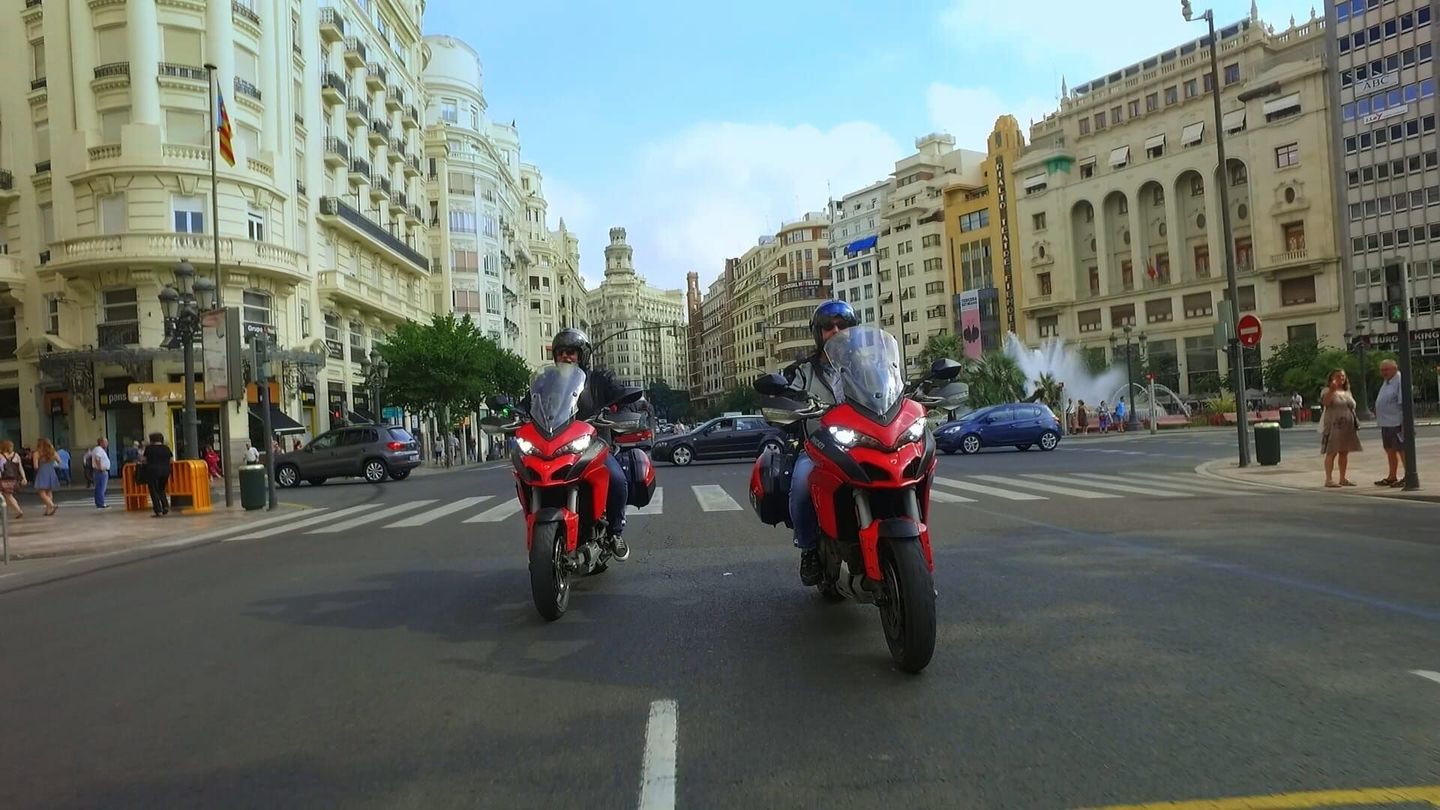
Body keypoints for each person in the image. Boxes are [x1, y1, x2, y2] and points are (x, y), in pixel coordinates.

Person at [779, 299, 859, 586]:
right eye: (828, 327)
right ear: (818, 332)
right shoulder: (803, 371)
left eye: (842, 325)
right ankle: (809, 548)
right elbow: (787, 399)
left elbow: (890, 391)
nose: (835, 331)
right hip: (819, 448)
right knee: (800, 484)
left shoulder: (868, 365)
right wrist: (787, 403)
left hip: (864, 446)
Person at [549, 327, 631, 561]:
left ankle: (615, 531)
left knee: (616, 479)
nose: (565, 356)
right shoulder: (548, 383)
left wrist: (621, 405)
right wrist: (515, 412)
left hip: (594, 446)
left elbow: (619, 395)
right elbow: (529, 403)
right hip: (558, 450)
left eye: (571, 352)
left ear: (582, 356)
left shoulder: (598, 380)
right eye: (561, 352)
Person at [1320, 369, 1362, 488]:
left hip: (1347, 426)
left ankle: (1342, 478)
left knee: (1344, 452)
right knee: (1332, 452)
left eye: (1343, 376)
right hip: (1334, 425)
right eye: (1338, 376)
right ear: (1331, 378)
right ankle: (1329, 479)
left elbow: (1352, 406)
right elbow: (1326, 403)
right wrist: (1332, 390)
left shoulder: (1346, 391)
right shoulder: (1327, 390)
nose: (1341, 378)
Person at [1374, 359, 1405, 487]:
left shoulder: (1399, 380)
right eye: (1382, 370)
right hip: (1386, 422)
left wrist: (1405, 423)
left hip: (1396, 422)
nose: (1384, 372)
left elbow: (1402, 402)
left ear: (1395, 368)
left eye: (1386, 369)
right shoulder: (1387, 382)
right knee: (1389, 450)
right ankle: (1392, 476)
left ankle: (1409, 475)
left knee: (1402, 450)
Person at [143, 433, 174, 516]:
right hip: (165, 471)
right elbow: (171, 460)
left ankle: (158, 510)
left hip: (152, 471)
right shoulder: (166, 448)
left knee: (153, 490)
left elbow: (144, 460)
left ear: (151, 440)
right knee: (161, 489)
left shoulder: (149, 448)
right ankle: (165, 506)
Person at [32, 438, 60, 517]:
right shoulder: (52, 452)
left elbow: (35, 466)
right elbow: (59, 461)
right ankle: (48, 510)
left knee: (41, 492)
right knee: (49, 491)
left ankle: (52, 505)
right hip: (51, 471)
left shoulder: (37, 453)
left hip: (42, 471)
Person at [0, 440, 27, 519]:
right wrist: (24, 477)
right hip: (13, 478)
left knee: (8, 495)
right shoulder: (16, 455)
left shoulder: (1, 456)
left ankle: (18, 510)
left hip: (4, 478)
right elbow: (20, 467)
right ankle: (7, 509)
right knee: (8, 495)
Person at [85, 437, 112, 509]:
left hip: (99, 471)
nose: (107, 444)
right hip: (100, 471)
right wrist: (100, 468)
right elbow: (97, 458)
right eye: (105, 442)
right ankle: (101, 503)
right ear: (101, 443)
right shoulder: (99, 450)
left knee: (99, 487)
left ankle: (99, 502)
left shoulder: (98, 449)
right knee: (101, 488)